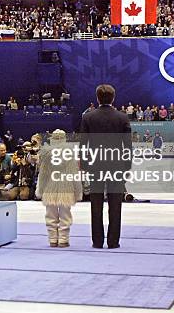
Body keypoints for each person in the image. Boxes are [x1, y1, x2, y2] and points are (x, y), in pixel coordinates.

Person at [80, 84, 132, 249]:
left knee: (96, 204)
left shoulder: (88, 118)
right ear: (113, 98)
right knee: (115, 205)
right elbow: (128, 146)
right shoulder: (122, 117)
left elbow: (83, 144)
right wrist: (126, 166)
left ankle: (97, 241)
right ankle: (113, 241)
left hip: (95, 166)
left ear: (97, 98)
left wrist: (85, 165)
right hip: (116, 166)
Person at [36, 129, 83, 247]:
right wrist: (78, 192)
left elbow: (43, 174)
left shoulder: (46, 153)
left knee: (50, 215)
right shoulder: (70, 153)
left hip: (50, 187)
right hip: (66, 186)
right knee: (65, 215)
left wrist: (40, 190)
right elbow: (74, 174)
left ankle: (52, 239)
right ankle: (63, 239)